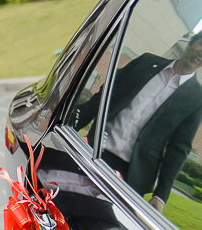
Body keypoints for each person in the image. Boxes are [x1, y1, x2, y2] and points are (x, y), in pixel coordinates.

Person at [71, 33, 202, 213]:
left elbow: (178, 149)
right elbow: (104, 97)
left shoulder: (197, 98)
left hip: (131, 178)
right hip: (95, 152)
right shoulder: (146, 62)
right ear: (192, 42)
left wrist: (161, 195)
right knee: (66, 208)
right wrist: (67, 123)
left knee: (95, 228)